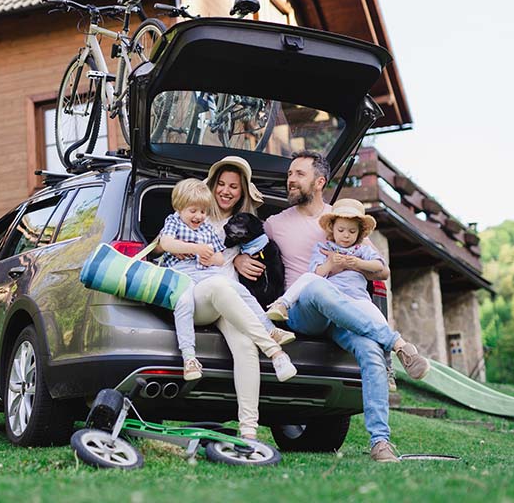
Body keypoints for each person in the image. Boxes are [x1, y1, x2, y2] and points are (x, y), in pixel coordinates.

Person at [241, 150, 430, 462]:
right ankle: (397, 343)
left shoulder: (344, 220)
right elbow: (243, 241)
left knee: (370, 351)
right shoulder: (275, 223)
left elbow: (381, 270)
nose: (290, 180)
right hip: (306, 312)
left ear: (319, 182)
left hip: (344, 314)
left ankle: (380, 442)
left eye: (298, 174)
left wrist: (348, 263)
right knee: (315, 284)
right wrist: (238, 257)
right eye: (289, 174)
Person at [178, 155, 296, 441]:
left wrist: (243, 258)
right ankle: (274, 349)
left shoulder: (243, 225)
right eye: (221, 184)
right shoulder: (196, 216)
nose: (226, 191)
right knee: (220, 285)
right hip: (201, 297)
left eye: (234, 186)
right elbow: (164, 243)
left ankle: (249, 433)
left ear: (242, 191)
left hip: (231, 306)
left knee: (245, 347)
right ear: (212, 186)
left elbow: (262, 253)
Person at [156, 178, 296, 383]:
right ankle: (189, 357)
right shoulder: (174, 221)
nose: (199, 216)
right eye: (193, 211)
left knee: (240, 298)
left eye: (203, 212)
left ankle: (270, 329)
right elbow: (165, 243)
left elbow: (220, 258)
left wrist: (211, 257)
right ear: (180, 207)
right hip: (186, 278)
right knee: (186, 301)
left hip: (210, 279)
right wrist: (194, 249)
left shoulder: (212, 228)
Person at [265, 198, 388, 322]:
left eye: (352, 231)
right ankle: (282, 304)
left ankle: (396, 340)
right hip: (332, 295)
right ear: (332, 229)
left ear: (359, 233)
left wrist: (358, 263)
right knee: (308, 277)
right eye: (341, 230)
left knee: (379, 320)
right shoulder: (324, 247)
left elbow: (380, 266)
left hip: (358, 297)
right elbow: (316, 273)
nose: (346, 235)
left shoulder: (361, 249)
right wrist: (330, 263)